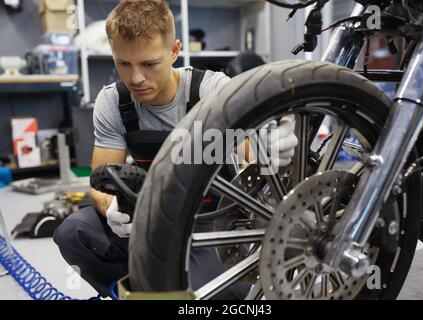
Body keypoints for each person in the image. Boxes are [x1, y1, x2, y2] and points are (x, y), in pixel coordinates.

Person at [53, 0, 298, 298]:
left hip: (210, 224)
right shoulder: (113, 102)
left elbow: (252, 146)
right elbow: (100, 180)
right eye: (123, 64)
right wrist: (113, 208)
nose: (135, 79)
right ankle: (134, 293)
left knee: (216, 294)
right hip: (148, 218)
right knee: (74, 232)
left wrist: (270, 144)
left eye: (149, 64)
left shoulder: (212, 90)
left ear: (174, 51)